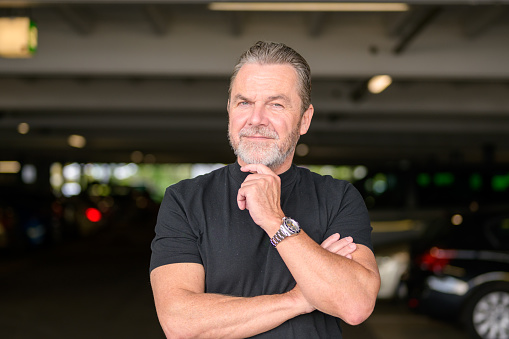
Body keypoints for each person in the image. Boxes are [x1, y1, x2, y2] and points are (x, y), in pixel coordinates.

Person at [150, 41, 380, 338]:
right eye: (244, 102)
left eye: (276, 104)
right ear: (230, 111)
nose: (256, 119)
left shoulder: (338, 198)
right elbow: (180, 323)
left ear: (304, 119)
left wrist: (275, 221)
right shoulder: (184, 200)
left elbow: (355, 305)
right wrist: (300, 298)